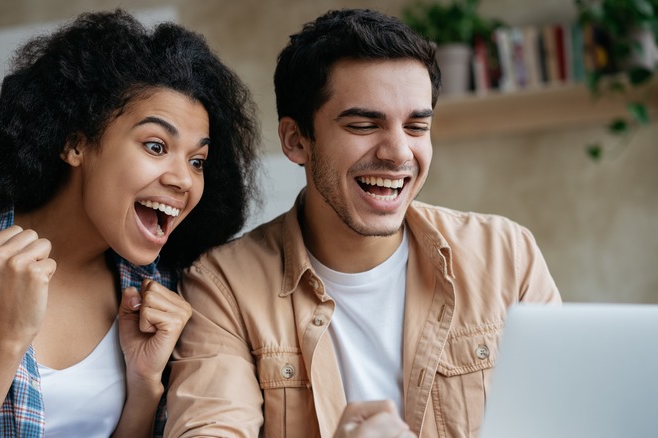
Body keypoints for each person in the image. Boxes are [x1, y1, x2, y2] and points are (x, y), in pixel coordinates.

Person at [165, 8, 561, 438]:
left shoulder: (507, 254)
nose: (397, 153)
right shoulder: (223, 286)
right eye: (363, 124)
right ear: (296, 140)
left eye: (415, 126)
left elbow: (569, 418)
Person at [0, 9, 259, 438]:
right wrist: (9, 332)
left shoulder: (159, 288)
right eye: (156, 146)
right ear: (76, 144)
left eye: (197, 161)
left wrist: (143, 386)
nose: (183, 179)